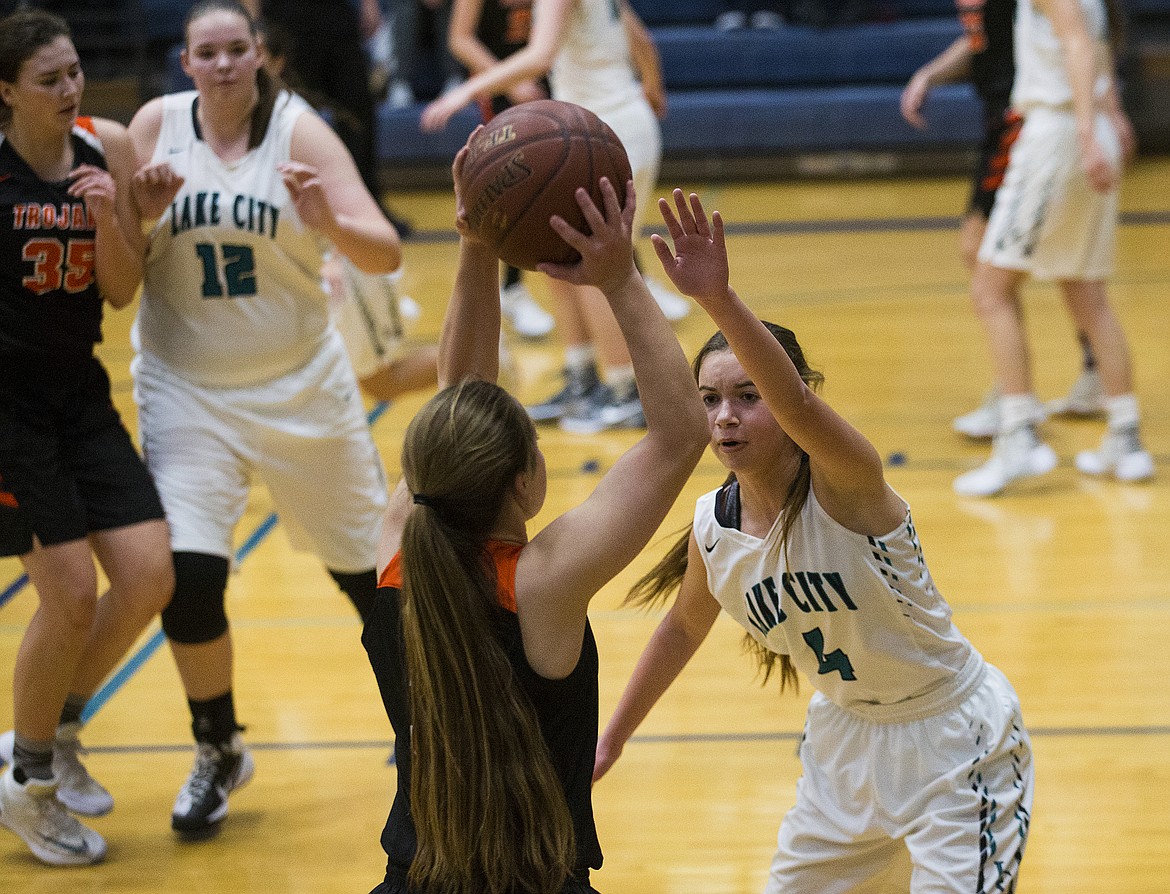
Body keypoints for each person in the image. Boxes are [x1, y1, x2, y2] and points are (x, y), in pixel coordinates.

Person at [593, 189, 1035, 892]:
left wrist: (718, 300)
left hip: (955, 742)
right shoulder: (714, 529)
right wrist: (612, 735)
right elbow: (681, 628)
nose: (725, 418)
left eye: (747, 396)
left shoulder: (847, 486)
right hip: (844, 748)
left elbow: (798, 408)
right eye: (709, 400)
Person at [360, 137, 707, 893]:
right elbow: (681, 433)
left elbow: (462, 393)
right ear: (526, 484)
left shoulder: (398, 547)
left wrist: (477, 240)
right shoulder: (543, 582)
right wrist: (618, 280)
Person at [125, 0, 400, 838]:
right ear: (185, 61)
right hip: (186, 390)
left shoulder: (302, 132)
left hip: (299, 389)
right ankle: (218, 748)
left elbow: (383, 249)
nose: (222, 64)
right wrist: (134, 214)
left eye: (236, 50)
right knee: (190, 578)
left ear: (259, 56)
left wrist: (329, 223)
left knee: (373, 583)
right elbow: (120, 268)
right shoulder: (153, 129)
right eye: (205, 52)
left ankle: (431, 739)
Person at [0, 8, 174, 866]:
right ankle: (27, 781)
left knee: (146, 577)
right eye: (48, 79)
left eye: (73, 72)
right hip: (8, 412)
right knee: (68, 594)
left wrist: (114, 217)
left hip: (81, 398)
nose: (70, 89)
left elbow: (120, 293)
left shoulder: (106, 150)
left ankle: (54, 727)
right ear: (6, 91)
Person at [422, 0, 692, 433]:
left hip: (597, 136)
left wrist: (463, 91)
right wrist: (653, 86)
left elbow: (539, 56)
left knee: (590, 267)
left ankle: (625, 390)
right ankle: (581, 377)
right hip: (615, 127)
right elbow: (642, 40)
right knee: (558, 262)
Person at [951, 0, 1153, 495]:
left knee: (990, 289)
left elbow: (1079, 44)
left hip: (1055, 135)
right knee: (1087, 294)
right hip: (1083, 130)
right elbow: (1097, 42)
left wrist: (1085, 132)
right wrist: (1111, 117)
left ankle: (1018, 433)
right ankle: (1125, 438)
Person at [900, 0, 1122, 439]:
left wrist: (1101, 114)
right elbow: (981, 40)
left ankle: (1016, 397)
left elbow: (1084, 40)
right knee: (1050, 272)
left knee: (997, 273)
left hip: (1028, 126)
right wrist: (929, 73)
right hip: (1010, 122)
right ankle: (1074, 383)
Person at [244, 0, 417, 237]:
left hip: (337, 14)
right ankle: (278, 205)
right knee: (286, 111)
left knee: (358, 113)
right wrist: (252, 20)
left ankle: (366, 206)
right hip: (285, 18)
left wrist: (369, 4)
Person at [446, 0, 555, 339]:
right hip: (502, 84)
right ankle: (511, 288)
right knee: (514, 183)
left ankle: (634, 272)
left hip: (548, 73)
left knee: (583, 171)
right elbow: (460, 38)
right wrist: (509, 81)